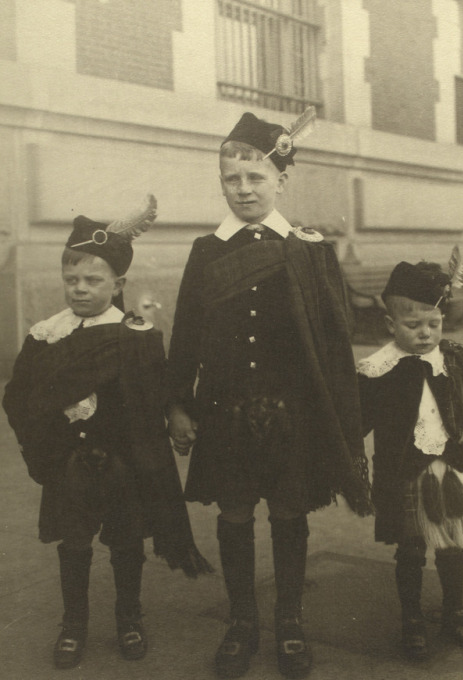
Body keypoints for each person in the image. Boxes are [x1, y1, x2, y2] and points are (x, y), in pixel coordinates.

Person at [166, 111, 372, 679]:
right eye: (232, 179)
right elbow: (186, 330)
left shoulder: (308, 249)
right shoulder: (208, 250)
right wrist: (178, 401)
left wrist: (340, 416)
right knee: (233, 513)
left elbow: (334, 341)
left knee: (287, 512)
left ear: (282, 179)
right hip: (225, 410)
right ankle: (241, 622)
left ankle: (289, 621)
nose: (244, 189)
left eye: (256, 178)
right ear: (222, 184)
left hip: (294, 412)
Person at [2, 196, 212, 670]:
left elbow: (156, 394)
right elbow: (19, 399)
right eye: (71, 279)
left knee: (125, 542)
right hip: (67, 466)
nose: (79, 289)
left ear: (118, 284)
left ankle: (128, 616)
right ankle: (73, 623)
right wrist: (47, 451)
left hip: (124, 466)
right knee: (73, 544)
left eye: (93, 280)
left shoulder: (135, 335)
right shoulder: (45, 335)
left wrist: (174, 416)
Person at [357, 259, 463, 660]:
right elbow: (355, 421)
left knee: (453, 545)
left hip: (453, 470)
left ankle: (455, 610)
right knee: (411, 549)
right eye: (413, 325)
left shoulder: (456, 359)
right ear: (390, 325)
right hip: (404, 475)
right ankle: (412, 618)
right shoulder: (377, 370)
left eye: (433, 324)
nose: (425, 334)